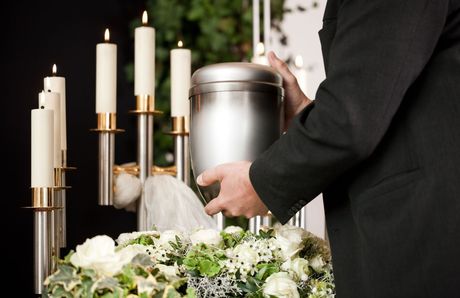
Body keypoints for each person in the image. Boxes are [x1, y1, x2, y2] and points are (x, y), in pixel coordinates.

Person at [196, 0, 460, 297]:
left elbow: (351, 118)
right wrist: (307, 113)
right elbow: (373, 96)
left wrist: (260, 181)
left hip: (422, 228)